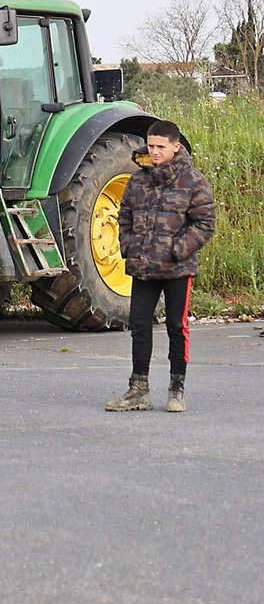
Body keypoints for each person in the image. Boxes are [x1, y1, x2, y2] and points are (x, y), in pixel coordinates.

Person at [106, 120, 215, 413]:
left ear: (175, 147)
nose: (153, 152)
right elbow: (124, 215)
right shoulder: (137, 180)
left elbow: (205, 224)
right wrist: (128, 247)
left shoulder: (194, 181)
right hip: (143, 266)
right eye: (150, 145)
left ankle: (176, 389)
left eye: (160, 147)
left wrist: (177, 250)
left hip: (178, 269)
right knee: (139, 326)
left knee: (176, 327)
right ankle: (138, 389)